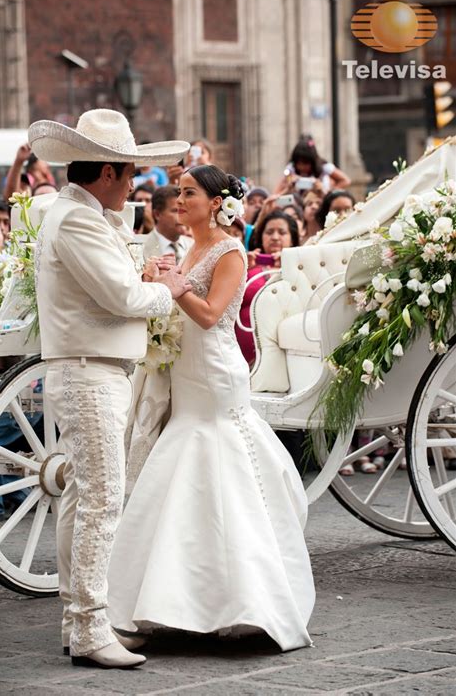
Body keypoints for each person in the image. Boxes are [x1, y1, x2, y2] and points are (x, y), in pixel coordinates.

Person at [108, 165, 314, 652]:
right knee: (178, 471)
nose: (179, 201)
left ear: (217, 201)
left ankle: (243, 599)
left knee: (218, 467)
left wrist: (174, 286)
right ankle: (164, 599)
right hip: (185, 375)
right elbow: (177, 306)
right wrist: (159, 282)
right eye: (178, 193)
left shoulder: (230, 251)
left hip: (217, 376)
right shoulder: (188, 249)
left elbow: (210, 315)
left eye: (189, 193)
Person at [28, 108, 191, 670]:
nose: (134, 185)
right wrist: (166, 288)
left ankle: (81, 622)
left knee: (82, 499)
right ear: (106, 174)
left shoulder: (82, 215)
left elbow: (114, 288)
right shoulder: (76, 220)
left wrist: (143, 281)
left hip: (93, 367)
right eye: (128, 174)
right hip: (88, 369)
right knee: (101, 501)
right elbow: (122, 299)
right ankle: (92, 628)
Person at [236, 210, 299, 365]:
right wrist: (243, 269)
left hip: (290, 350)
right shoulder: (246, 264)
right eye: (269, 232)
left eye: (282, 232)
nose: (275, 237)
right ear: (261, 237)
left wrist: (289, 266)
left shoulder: (300, 266)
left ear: (292, 239)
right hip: (245, 354)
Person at [275, 135, 350, 196]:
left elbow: (345, 180)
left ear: (312, 162)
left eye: (305, 163)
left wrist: (328, 193)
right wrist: (289, 184)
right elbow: (277, 192)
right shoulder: (290, 169)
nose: (301, 167)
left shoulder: (324, 167)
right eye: (298, 163)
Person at [137, 184, 193, 263]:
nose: (182, 216)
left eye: (184, 210)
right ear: (157, 214)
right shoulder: (139, 247)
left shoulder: (193, 245)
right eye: (175, 211)